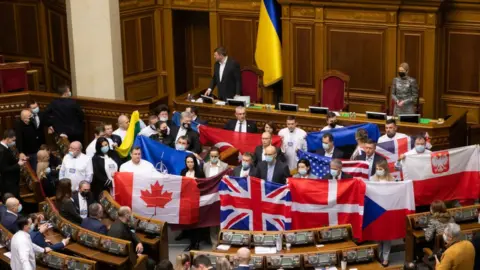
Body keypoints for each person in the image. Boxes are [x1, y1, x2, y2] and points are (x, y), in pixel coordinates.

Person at [0, 129, 26, 198]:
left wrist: (18, 160)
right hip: (8, 183)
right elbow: (3, 169)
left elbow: (9, 161)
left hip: (12, 181)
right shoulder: (2, 151)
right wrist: (18, 164)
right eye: (13, 140)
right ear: (8, 139)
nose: (14, 142)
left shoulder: (6, 147)